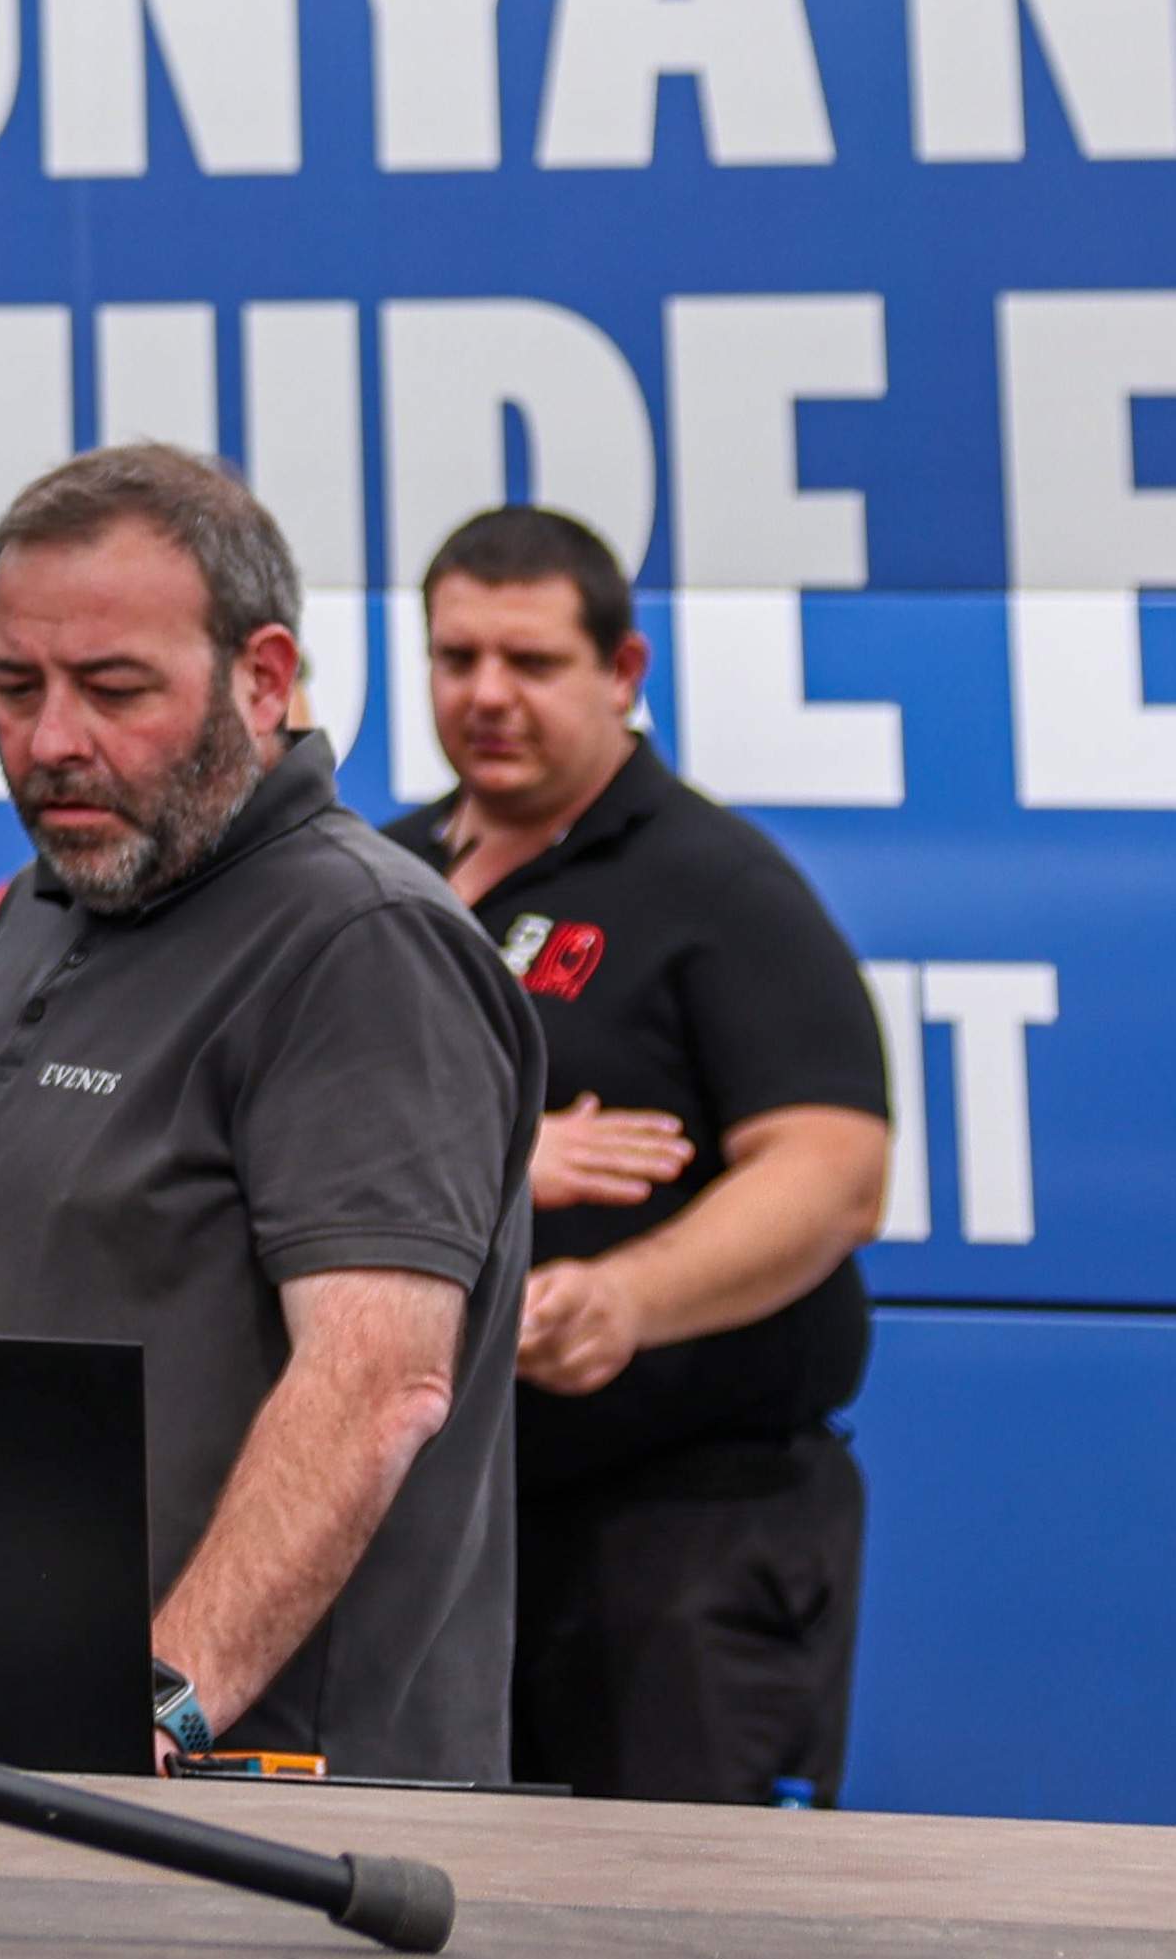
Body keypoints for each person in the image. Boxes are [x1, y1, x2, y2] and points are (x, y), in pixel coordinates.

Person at [0, 445, 534, 1781]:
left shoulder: (363, 939)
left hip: (246, 1815)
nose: (52, 739)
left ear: (262, 677)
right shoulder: (40, 904)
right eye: (14, 687)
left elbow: (375, 1381)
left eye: (113, 689)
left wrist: (159, 1700)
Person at [384, 501, 893, 1806]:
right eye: (455, 659)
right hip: (431, 1527)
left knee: (671, 1916)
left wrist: (625, 1297)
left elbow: (831, 1168)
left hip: (680, 1532)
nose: (485, 695)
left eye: (530, 662)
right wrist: (503, 1163)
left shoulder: (713, 887)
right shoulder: (373, 878)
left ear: (622, 673)